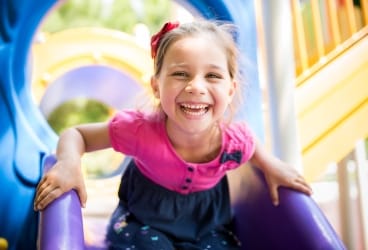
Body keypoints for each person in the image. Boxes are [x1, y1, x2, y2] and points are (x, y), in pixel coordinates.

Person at [34, 19, 312, 250]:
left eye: (213, 76)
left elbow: (251, 145)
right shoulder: (139, 130)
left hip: (207, 226)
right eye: (181, 74)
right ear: (156, 86)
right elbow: (76, 134)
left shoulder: (233, 142)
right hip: (143, 221)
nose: (196, 87)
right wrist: (69, 163)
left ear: (230, 89)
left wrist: (270, 164)